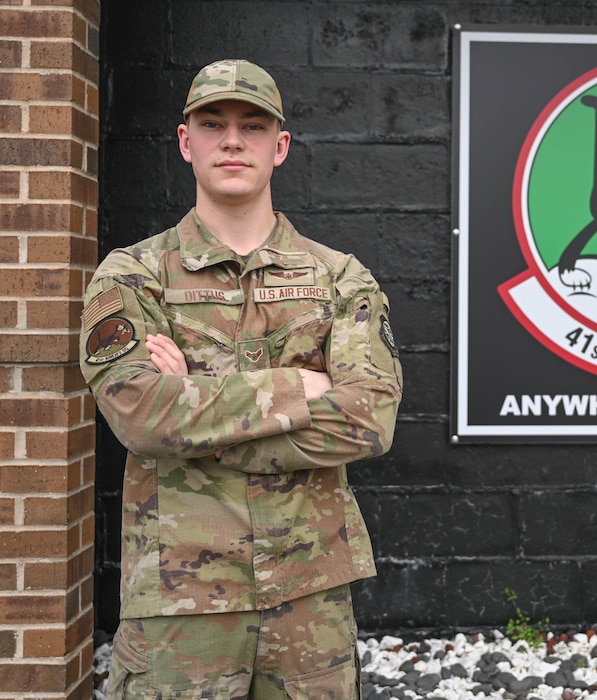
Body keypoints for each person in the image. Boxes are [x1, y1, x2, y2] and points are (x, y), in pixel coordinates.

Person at [79, 59, 403, 699]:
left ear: (279, 147)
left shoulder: (340, 278)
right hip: (181, 602)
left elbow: (368, 420)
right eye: (213, 123)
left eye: (252, 126)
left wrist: (191, 412)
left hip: (310, 598)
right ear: (185, 141)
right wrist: (298, 390)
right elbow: (142, 417)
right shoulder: (132, 276)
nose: (232, 140)